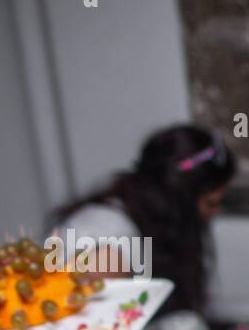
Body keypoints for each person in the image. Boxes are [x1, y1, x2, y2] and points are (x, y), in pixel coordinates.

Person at [50, 124, 236, 318]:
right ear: (178, 200)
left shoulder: (145, 218)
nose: (216, 212)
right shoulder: (106, 254)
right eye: (211, 203)